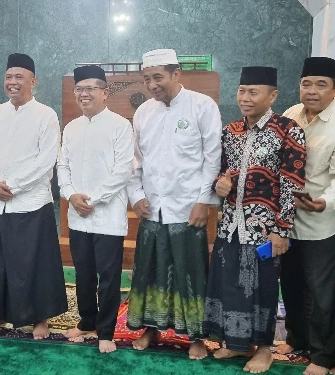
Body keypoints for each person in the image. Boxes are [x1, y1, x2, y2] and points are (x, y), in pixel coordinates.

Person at [203, 66, 306, 374]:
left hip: (265, 229)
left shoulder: (288, 130)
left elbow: (292, 184)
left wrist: (282, 230)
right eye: (241, 91)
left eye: (253, 92)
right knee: (230, 284)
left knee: (261, 288)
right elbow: (219, 173)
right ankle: (237, 345)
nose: (245, 98)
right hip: (231, 225)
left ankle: (264, 349)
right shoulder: (230, 131)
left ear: (272, 95)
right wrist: (220, 184)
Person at [126, 48, 222, 360]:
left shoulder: (202, 106)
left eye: (158, 77)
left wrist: (203, 200)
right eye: (146, 79)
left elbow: (212, 157)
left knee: (189, 274)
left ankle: (196, 336)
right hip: (153, 207)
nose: (152, 85)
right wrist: (137, 196)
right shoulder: (143, 113)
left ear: (176, 74)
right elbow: (135, 161)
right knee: (151, 271)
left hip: (187, 207)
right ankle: (151, 328)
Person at [0, 53, 68, 339]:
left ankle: (40, 318)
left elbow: (45, 160)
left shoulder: (46, 115)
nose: (12, 83)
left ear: (33, 81)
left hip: (30, 203)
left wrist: (11, 185)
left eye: (19, 77)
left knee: (35, 264)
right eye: (8, 77)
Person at [57, 65, 134, 353]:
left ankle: (106, 332)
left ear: (104, 92)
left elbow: (123, 171)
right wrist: (70, 194)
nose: (84, 94)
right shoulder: (72, 127)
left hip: (107, 217)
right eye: (79, 89)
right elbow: (62, 165)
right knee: (83, 274)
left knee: (109, 277)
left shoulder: (120, 125)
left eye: (90, 88)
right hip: (77, 216)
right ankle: (87, 320)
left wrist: (93, 199)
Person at [277, 57, 335, 375]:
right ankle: (297, 340)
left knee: (323, 292)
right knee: (293, 285)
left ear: (334, 90)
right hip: (289, 222)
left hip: (321, 223)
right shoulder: (290, 115)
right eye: (306, 84)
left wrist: (324, 202)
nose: (311, 91)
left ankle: (325, 355)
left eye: (321, 84)